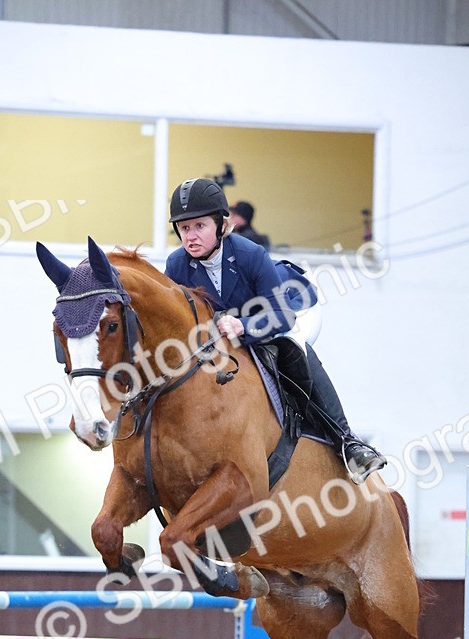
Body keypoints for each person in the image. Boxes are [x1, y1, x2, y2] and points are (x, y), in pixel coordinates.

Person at [165, 177, 386, 482]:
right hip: (233, 327)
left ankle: (348, 443)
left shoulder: (249, 254)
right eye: (184, 228)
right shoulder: (176, 265)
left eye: (199, 226)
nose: (190, 236)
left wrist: (243, 325)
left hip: (292, 309)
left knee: (295, 350)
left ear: (220, 224)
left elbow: (282, 315)